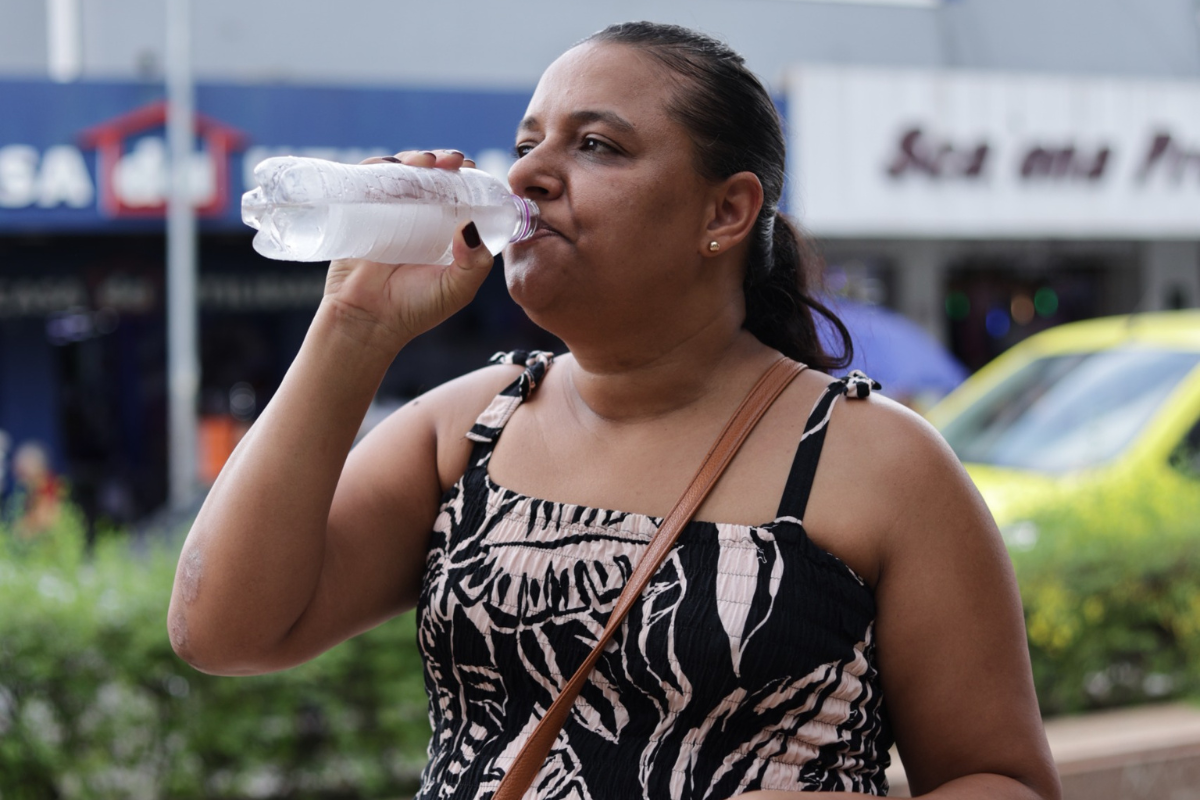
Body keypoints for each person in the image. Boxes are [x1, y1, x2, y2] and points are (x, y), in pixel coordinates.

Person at [168, 21, 1060, 800]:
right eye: (528, 142)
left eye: (595, 145)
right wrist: (352, 328)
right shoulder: (470, 428)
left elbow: (1009, 781)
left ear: (727, 210)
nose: (529, 172)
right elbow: (222, 629)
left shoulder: (880, 463)